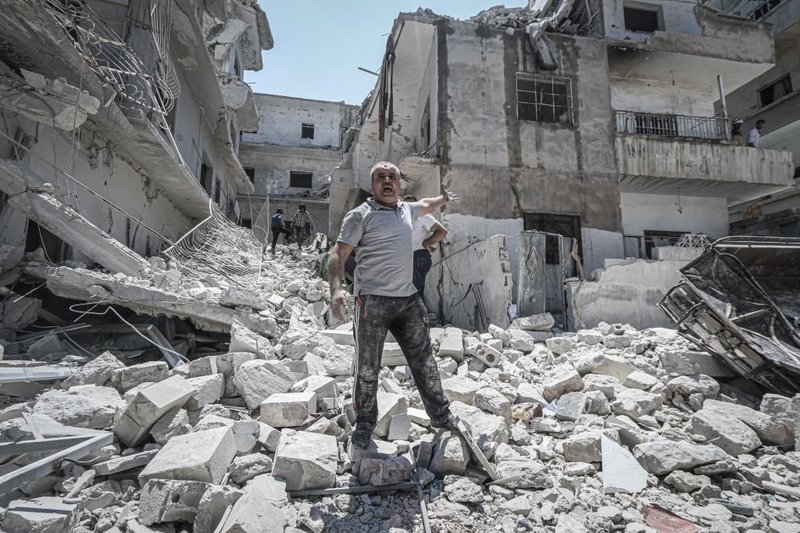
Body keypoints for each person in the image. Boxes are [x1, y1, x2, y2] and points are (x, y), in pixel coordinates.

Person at [328, 161, 458, 450]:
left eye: (392, 177)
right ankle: (364, 426)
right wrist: (336, 290)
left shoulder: (406, 210)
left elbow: (424, 203)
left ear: (399, 184)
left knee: (424, 361)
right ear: (373, 185)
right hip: (372, 301)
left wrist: (443, 199)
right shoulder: (360, 215)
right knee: (367, 367)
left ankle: (442, 417)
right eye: (380, 177)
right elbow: (338, 252)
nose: (387, 181)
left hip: (408, 300)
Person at [403, 195, 448, 299]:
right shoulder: (404, 220)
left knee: (414, 293)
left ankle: (418, 314)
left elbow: (442, 231)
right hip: (406, 259)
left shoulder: (423, 217)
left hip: (419, 256)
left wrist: (427, 243)